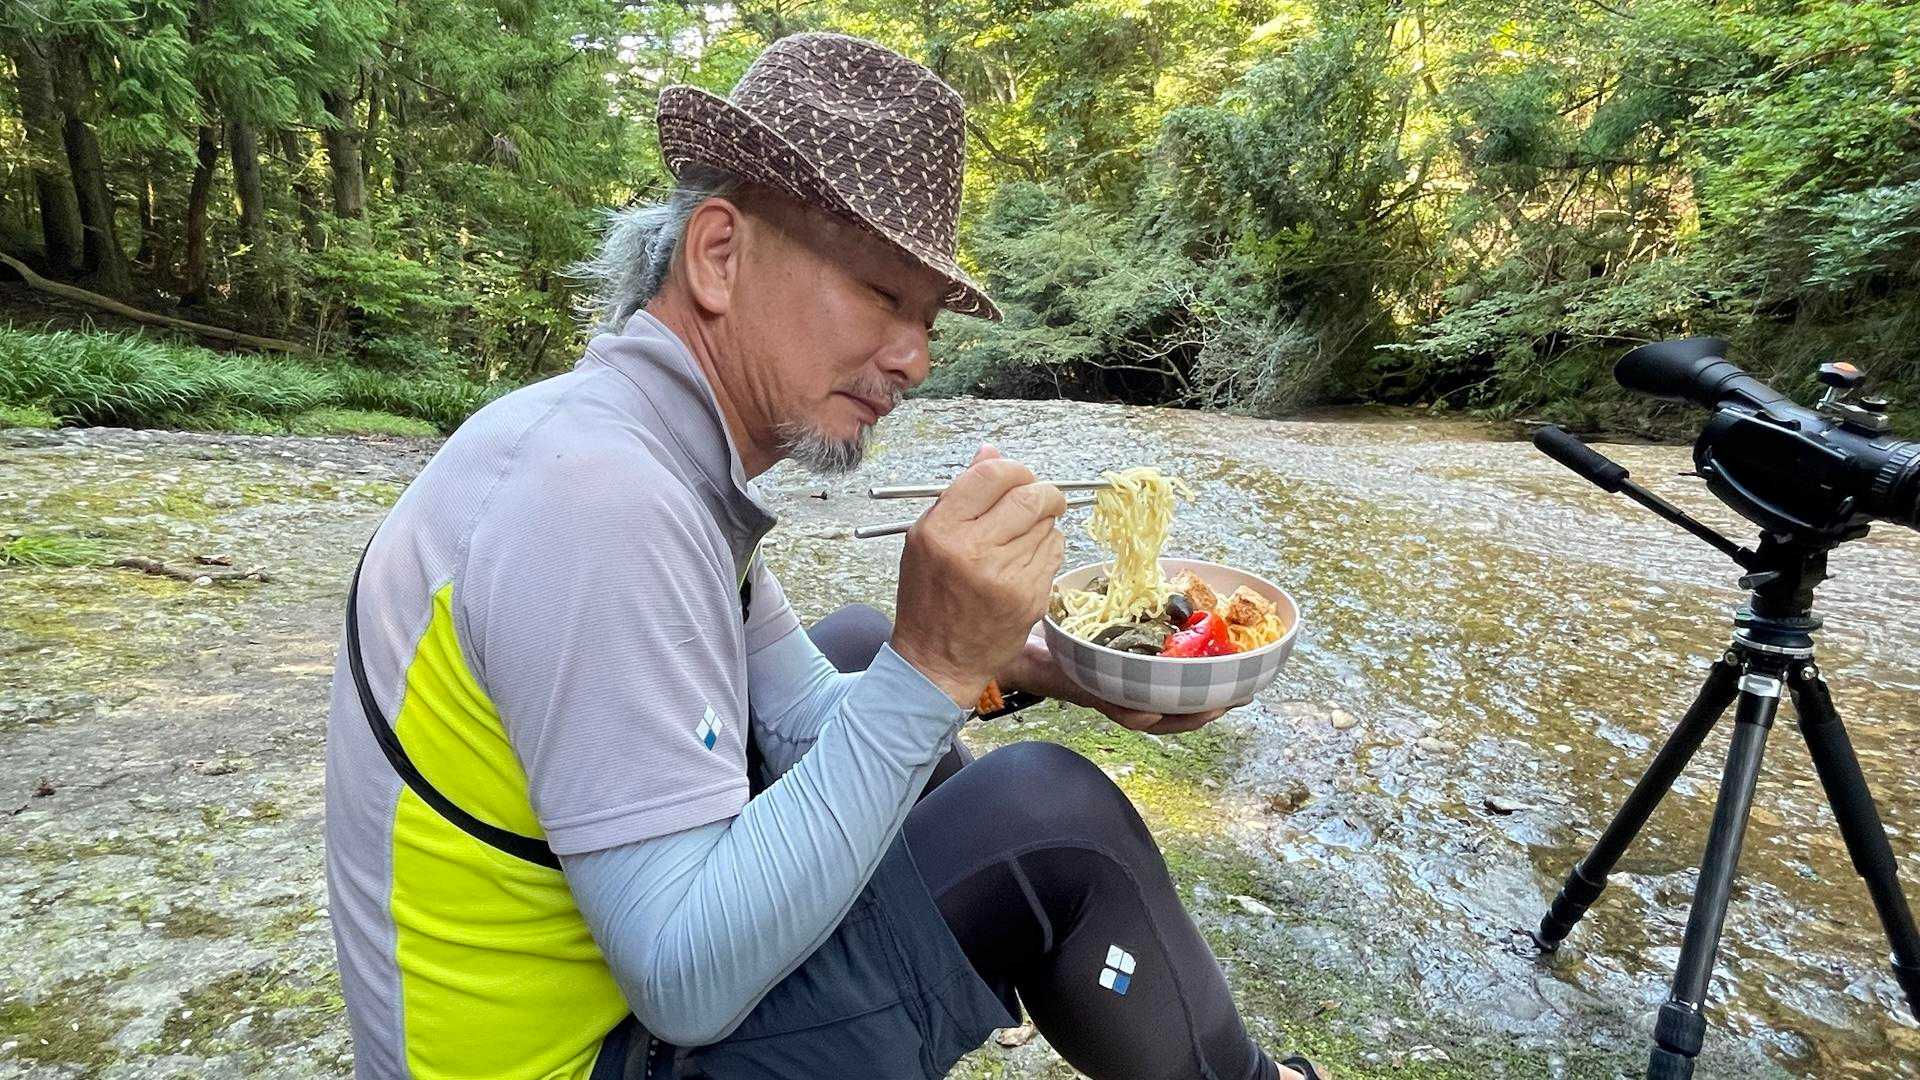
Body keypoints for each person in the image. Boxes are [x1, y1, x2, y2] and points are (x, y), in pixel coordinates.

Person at [324, 31, 1327, 1080]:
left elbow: (805, 721)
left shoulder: (630, 448)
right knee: (1052, 826)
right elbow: (683, 984)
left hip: (590, 1000)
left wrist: (1036, 663)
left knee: (854, 646)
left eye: (929, 319)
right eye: (883, 295)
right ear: (719, 255)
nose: (917, 357)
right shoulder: (597, 501)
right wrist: (937, 662)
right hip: (578, 1055)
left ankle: (975, 953)